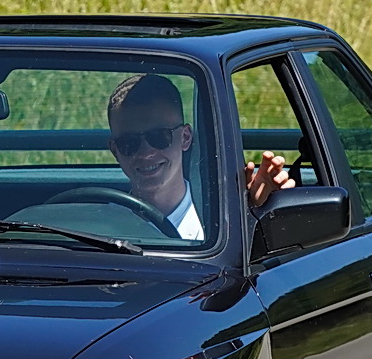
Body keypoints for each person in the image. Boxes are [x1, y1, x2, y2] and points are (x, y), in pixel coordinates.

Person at [106, 73, 293, 240]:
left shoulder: (227, 220)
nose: (146, 153)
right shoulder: (99, 227)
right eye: (129, 143)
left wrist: (262, 213)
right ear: (115, 150)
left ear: (185, 137)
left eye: (159, 137)